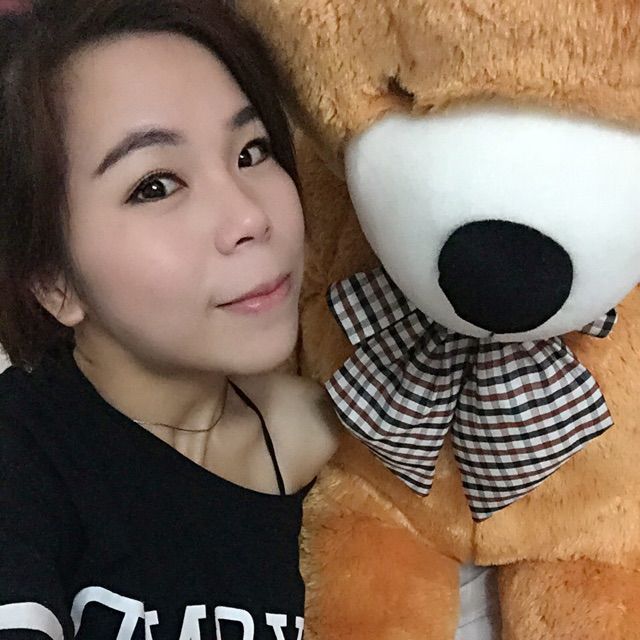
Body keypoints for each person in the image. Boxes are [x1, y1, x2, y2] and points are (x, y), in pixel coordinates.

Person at [0, 1, 339, 637]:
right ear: (52, 279)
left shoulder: (344, 442)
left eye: (252, 151)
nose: (249, 218)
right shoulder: (22, 458)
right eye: (155, 185)